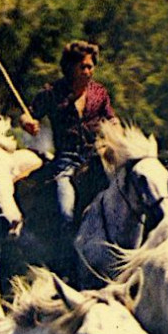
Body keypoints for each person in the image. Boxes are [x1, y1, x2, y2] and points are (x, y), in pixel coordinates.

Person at [19, 40, 117, 228]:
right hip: (66, 162)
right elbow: (28, 115)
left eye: (90, 67)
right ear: (70, 67)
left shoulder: (99, 93)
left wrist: (116, 130)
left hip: (97, 159)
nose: (87, 72)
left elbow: (111, 118)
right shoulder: (52, 92)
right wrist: (28, 123)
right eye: (82, 67)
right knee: (66, 210)